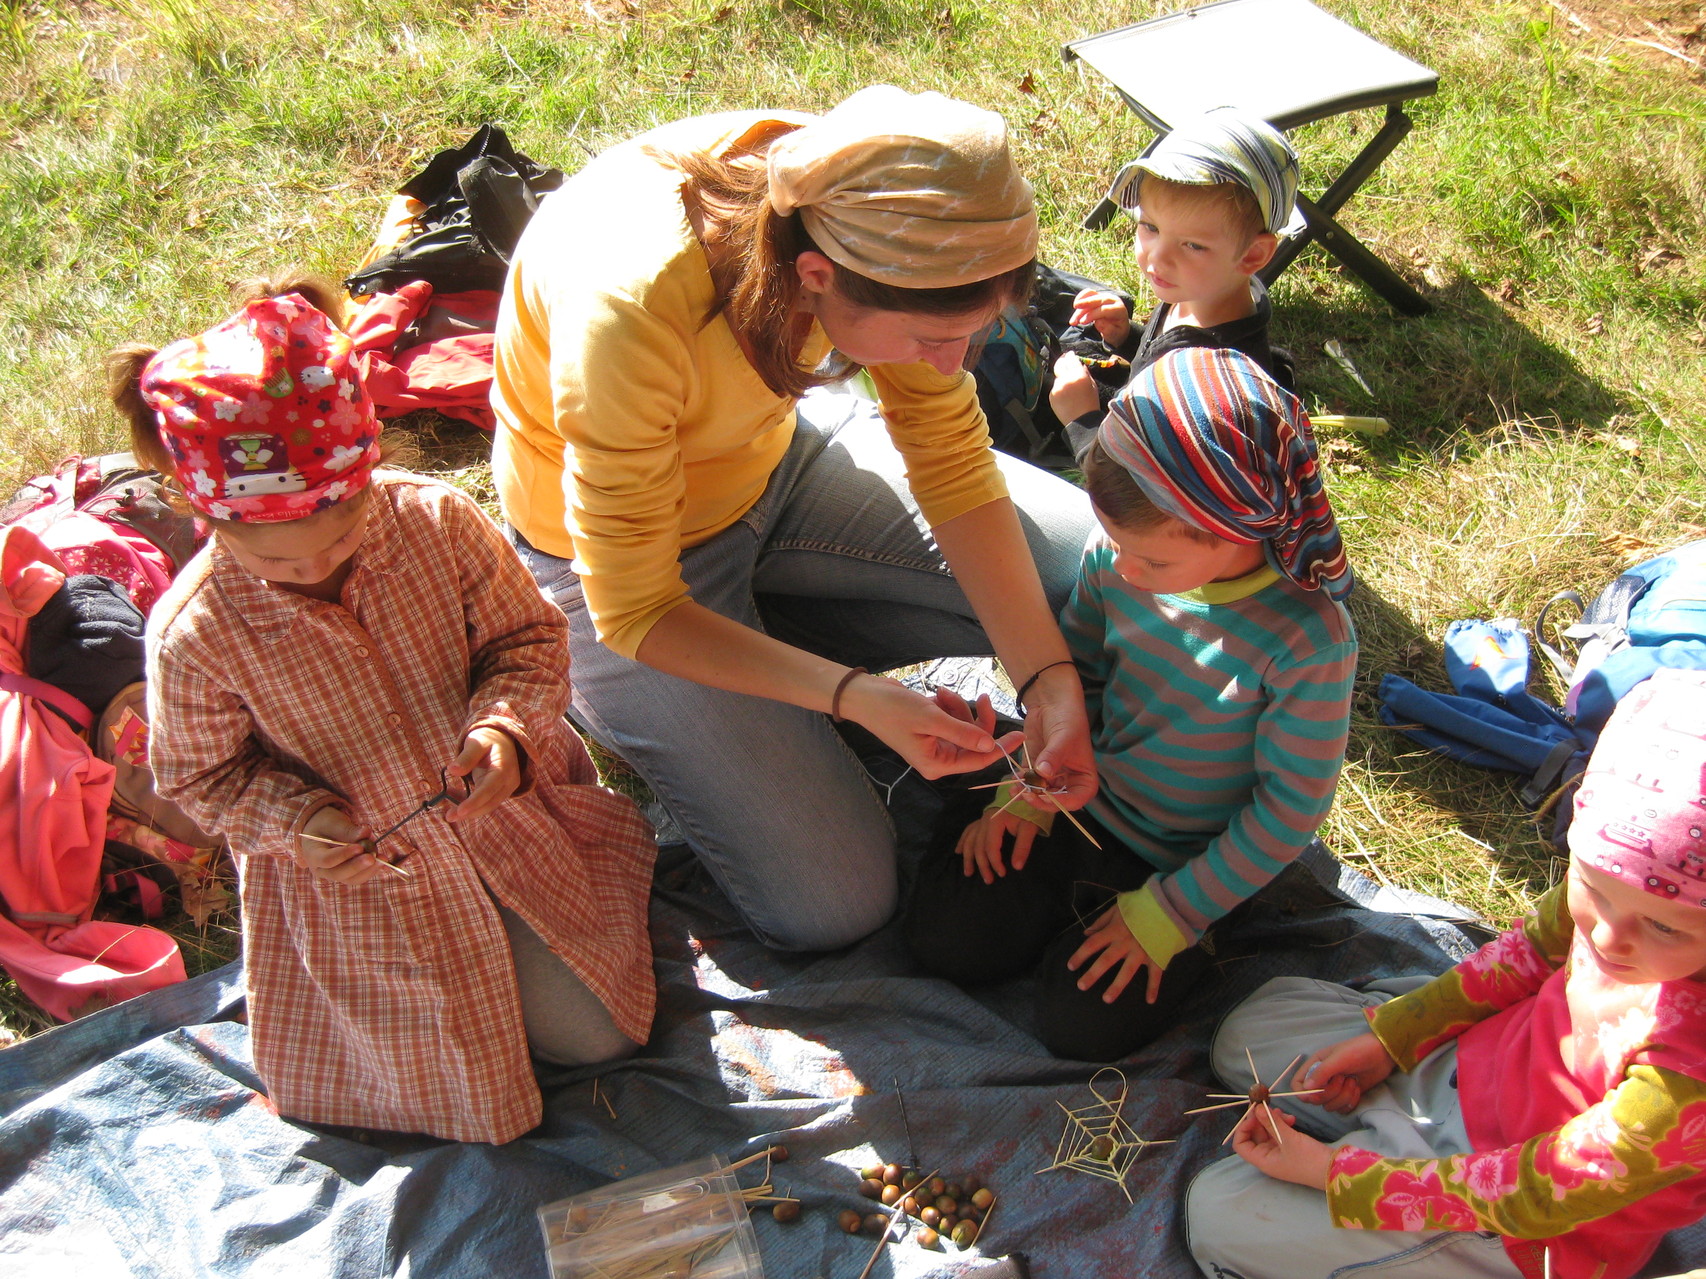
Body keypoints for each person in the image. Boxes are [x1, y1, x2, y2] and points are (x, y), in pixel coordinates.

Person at [492, 86, 1097, 953]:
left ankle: (765, 648)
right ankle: (625, 691)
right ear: (816, 278)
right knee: (836, 901)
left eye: (972, 334)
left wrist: (1047, 679)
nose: (951, 362)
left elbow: (951, 455)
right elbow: (636, 607)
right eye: (932, 339)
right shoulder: (630, 304)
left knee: (1093, 572)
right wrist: (855, 698)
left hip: (783, 465)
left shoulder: (891, 208)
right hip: (618, 573)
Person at [116, 282, 656, 1144]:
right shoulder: (196, 631)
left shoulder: (434, 522)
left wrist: (504, 730)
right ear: (209, 519)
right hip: (367, 895)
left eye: (341, 532)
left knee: (600, 1036)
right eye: (277, 558)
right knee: (447, 1073)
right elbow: (201, 777)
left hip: (511, 824)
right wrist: (302, 821)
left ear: (368, 471)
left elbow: (526, 638)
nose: (316, 563)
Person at [904, 347, 1356, 1061]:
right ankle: (999, 819)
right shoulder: (1120, 552)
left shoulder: (1306, 640)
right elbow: (1071, 672)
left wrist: (1174, 912)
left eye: (1152, 562)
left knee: (1081, 1025)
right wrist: (1028, 786)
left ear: (1236, 529)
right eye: (1112, 543)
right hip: (1075, 802)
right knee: (946, 939)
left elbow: (1288, 810)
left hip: (1180, 862)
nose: (1122, 568)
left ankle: (1191, 934)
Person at [1186, 665, 1706, 1279]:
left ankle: (1375, 1177)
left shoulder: (1688, 1079)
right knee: (1249, 1031)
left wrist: (1332, 1175)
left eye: (1664, 928)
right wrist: (1390, 1040)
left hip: (1518, 1221)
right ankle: (1376, 1145)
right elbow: (1522, 957)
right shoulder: (1623, 890)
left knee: (1216, 1217)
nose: (1606, 934)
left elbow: (1534, 1194)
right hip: (1472, 1078)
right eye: (1591, 886)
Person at [1050, 108, 1301, 462]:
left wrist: (1082, 420)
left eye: (1193, 245)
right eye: (1150, 227)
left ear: (1252, 255)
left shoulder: (1211, 397)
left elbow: (1139, 498)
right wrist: (1129, 337)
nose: (1157, 259)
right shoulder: (1200, 293)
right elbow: (1163, 353)